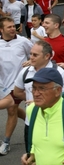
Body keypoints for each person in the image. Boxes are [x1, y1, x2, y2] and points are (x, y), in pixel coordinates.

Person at [13, 40, 64, 152]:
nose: (31, 57)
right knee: (31, 156)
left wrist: (40, 102)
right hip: (31, 122)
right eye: (30, 54)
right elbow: (17, 92)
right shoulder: (25, 71)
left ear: (47, 56)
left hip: (54, 122)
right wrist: (32, 99)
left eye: (35, 55)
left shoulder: (59, 72)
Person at [0, 16, 33, 156]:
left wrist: (31, 61)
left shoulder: (23, 41)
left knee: (12, 109)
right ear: (1, 30)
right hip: (3, 83)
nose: (13, 28)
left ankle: (6, 142)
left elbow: (39, 53)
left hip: (19, 83)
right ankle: (31, 120)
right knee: (11, 108)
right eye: (9, 27)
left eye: (14, 26)